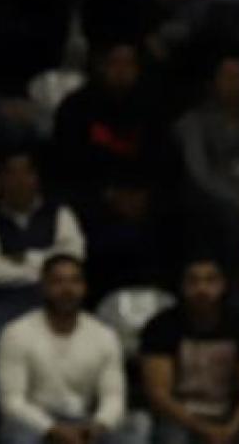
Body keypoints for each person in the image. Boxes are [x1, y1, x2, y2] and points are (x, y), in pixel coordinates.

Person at [53, 40, 173, 299]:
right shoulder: (75, 108)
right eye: (114, 63)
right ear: (100, 66)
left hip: (145, 199)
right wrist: (108, 196)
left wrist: (145, 196)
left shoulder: (153, 107)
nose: (121, 71)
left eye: (128, 64)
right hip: (93, 198)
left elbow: (168, 163)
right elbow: (65, 166)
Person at [0, 254, 136, 444]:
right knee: (17, 432)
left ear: (84, 287)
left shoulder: (104, 335)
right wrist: (53, 429)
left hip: (85, 421)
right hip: (35, 422)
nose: (67, 290)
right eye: (58, 282)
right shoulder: (16, 333)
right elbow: (12, 402)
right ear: (43, 287)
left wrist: (98, 424)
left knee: (135, 424)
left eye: (75, 281)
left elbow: (113, 397)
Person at [140, 257, 239, 444]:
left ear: (223, 285)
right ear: (182, 287)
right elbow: (158, 394)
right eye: (193, 281)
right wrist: (204, 429)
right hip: (179, 419)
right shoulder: (161, 326)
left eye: (210, 280)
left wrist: (232, 428)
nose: (202, 289)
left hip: (231, 417)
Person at [176, 55, 239, 268]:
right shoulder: (192, 123)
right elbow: (200, 174)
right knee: (222, 218)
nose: (234, 84)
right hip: (214, 202)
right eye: (227, 77)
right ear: (211, 83)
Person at [0, 151, 86, 340]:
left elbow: (73, 258)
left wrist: (24, 258)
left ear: (37, 178)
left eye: (27, 173)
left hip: (55, 302)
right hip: (3, 305)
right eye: (11, 174)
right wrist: (47, 265)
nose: (20, 181)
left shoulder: (59, 213)